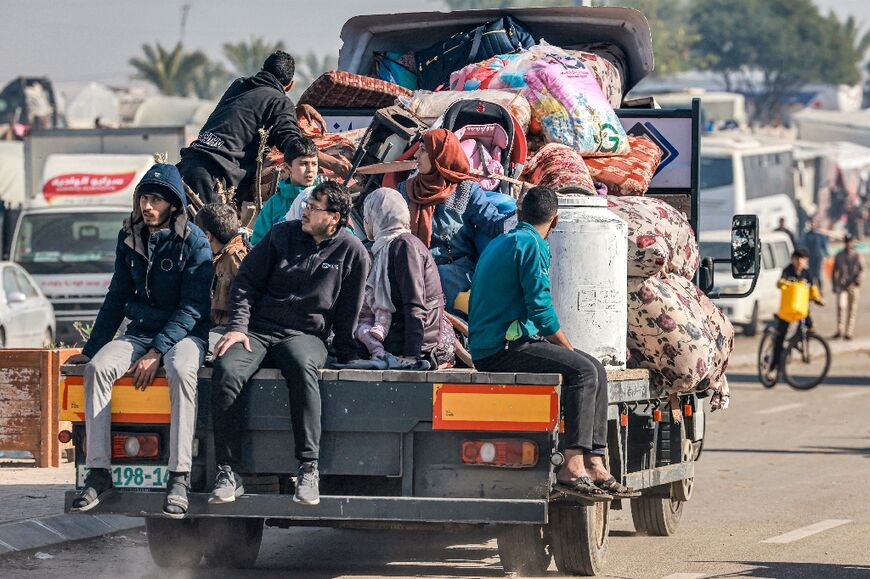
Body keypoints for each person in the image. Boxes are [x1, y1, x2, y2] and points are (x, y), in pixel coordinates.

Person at [468, 186, 637, 500]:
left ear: (520, 212)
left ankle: (596, 462)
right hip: (502, 349)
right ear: (555, 221)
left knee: (596, 369)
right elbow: (542, 311)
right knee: (584, 371)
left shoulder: (503, 241)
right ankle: (572, 466)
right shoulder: (532, 244)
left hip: (498, 344)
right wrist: (566, 346)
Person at [209, 181, 370, 506]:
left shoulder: (352, 252)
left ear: (335, 217)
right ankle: (229, 471)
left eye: (314, 207)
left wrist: (349, 355)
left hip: (306, 336)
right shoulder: (281, 235)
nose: (305, 211)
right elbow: (245, 283)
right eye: (307, 205)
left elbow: (348, 313)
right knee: (226, 370)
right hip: (258, 330)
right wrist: (238, 327)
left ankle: (308, 469)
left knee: (301, 367)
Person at [66, 164, 213, 518]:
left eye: (156, 200)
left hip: (185, 334)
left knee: (180, 371)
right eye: (144, 198)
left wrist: (156, 351)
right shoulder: (129, 237)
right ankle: (99, 473)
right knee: (99, 369)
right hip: (141, 331)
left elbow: (193, 308)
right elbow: (116, 296)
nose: (148, 206)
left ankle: (179, 477)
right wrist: (90, 350)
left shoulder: (194, 242)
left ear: (174, 205)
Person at [398, 128, 516, 314]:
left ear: (440, 156)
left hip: (453, 274)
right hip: (414, 270)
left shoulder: (467, 191)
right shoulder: (405, 190)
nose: (417, 155)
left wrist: (522, 213)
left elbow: (494, 226)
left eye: (423, 150)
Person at [176, 50, 307, 204]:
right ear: (290, 86)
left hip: (185, 167)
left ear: (262, 71)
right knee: (209, 228)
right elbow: (292, 144)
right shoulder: (280, 102)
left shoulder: (239, 85)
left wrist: (294, 111)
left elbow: (248, 113)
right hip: (213, 179)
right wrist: (332, 162)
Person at [356, 187, 454, 367]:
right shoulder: (385, 247)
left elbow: (415, 304)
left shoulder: (404, 246)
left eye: (368, 214)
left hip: (421, 342)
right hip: (399, 331)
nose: (366, 221)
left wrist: (412, 355)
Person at [193, 203, 250, 356]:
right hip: (214, 325)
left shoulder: (236, 257)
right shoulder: (217, 256)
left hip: (231, 329)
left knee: (193, 349)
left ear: (207, 236)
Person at [767, 248, 824, 380]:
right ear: (792, 259)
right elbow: (780, 282)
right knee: (779, 340)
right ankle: (773, 368)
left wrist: (818, 299)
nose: (799, 262)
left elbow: (813, 289)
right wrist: (783, 283)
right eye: (797, 258)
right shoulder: (788, 271)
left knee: (810, 325)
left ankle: (798, 341)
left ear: (806, 261)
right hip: (787, 310)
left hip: (802, 309)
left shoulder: (807, 274)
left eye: (802, 259)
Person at [250, 138, 320, 245]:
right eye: (304, 164)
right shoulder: (274, 204)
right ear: (287, 168)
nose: (310, 169)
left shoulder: (328, 198)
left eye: (314, 164)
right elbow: (258, 244)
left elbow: (345, 235)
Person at [832, 234, 863, 340]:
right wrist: (834, 284)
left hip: (853, 286)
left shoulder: (856, 255)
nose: (848, 244)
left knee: (852, 309)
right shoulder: (839, 255)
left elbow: (862, 269)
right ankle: (839, 330)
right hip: (842, 285)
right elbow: (834, 271)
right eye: (846, 242)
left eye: (850, 242)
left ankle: (848, 332)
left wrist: (858, 280)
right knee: (841, 306)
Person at [801, 220, 829, 292]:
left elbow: (824, 246)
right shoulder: (807, 235)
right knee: (811, 275)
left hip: (818, 258)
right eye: (811, 224)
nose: (812, 226)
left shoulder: (819, 235)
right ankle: (813, 291)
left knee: (818, 275)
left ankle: (820, 291)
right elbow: (804, 245)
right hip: (810, 258)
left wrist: (827, 254)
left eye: (814, 224)